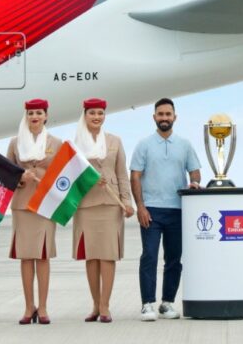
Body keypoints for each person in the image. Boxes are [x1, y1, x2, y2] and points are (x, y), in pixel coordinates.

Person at [130, 98, 202, 322]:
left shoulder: (185, 144)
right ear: (154, 117)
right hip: (150, 210)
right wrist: (140, 206)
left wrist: (195, 183)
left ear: (174, 117)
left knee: (174, 259)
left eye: (168, 114)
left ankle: (167, 303)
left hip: (177, 210)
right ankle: (147, 304)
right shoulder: (144, 144)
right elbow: (135, 176)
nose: (164, 118)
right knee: (149, 256)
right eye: (160, 114)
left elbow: (195, 172)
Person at [72, 98, 134, 323]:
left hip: (111, 203)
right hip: (86, 205)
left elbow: (122, 174)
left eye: (100, 113)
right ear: (85, 115)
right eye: (92, 113)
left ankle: (106, 306)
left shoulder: (114, 141)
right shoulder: (75, 145)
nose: (96, 117)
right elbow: (69, 178)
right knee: (91, 257)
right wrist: (87, 180)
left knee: (107, 256)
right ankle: (95, 305)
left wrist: (127, 202)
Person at [7, 98, 62, 325]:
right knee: (26, 257)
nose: (34, 117)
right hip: (22, 205)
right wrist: (20, 178)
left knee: (43, 256)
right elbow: (6, 175)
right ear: (26, 117)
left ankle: (44, 307)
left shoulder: (56, 143)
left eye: (38, 113)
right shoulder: (15, 143)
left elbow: (62, 177)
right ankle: (29, 307)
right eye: (30, 113)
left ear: (46, 115)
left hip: (45, 206)